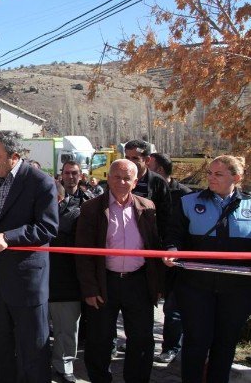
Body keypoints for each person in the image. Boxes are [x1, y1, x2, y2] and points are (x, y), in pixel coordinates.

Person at [0, 130, 57, 383]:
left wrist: (8, 237)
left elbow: (47, 228)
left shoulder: (40, 182)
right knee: (1, 349)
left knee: (33, 351)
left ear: (15, 156)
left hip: (27, 283)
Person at [163, 155, 251, 383]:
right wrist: (172, 249)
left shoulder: (250, 205)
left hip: (237, 289)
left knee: (225, 341)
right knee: (196, 341)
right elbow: (174, 234)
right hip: (196, 287)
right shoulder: (188, 202)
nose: (211, 178)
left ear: (237, 177)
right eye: (210, 173)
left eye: (218, 174)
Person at [75, 159, 163, 383]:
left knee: (142, 339)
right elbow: (83, 253)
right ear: (108, 178)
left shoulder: (148, 207)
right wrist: (90, 288)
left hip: (138, 283)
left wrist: (157, 285)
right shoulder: (92, 208)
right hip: (105, 283)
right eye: (117, 177)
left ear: (135, 181)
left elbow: (154, 247)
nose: (122, 182)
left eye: (127, 178)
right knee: (99, 340)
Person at [50, 161, 92, 383]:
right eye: (67, 173)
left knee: (67, 328)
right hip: (44, 274)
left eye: (75, 173)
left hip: (69, 276)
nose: (71, 177)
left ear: (81, 175)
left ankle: (64, 365)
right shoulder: (43, 201)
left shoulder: (89, 203)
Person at [148, 152, 192, 364]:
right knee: (146, 301)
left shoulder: (184, 195)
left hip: (174, 260)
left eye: (149, 164)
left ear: (160, 171)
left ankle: (171, 347)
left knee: (172, 307)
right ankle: (142, 339)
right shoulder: (145, 188)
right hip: (151, 255)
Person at [124, 139, 171, 234]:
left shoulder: (158, 182)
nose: (130, 162)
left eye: (135, 158)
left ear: (147, 160)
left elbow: (165, 216)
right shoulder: (117, 180)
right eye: (127, 158)